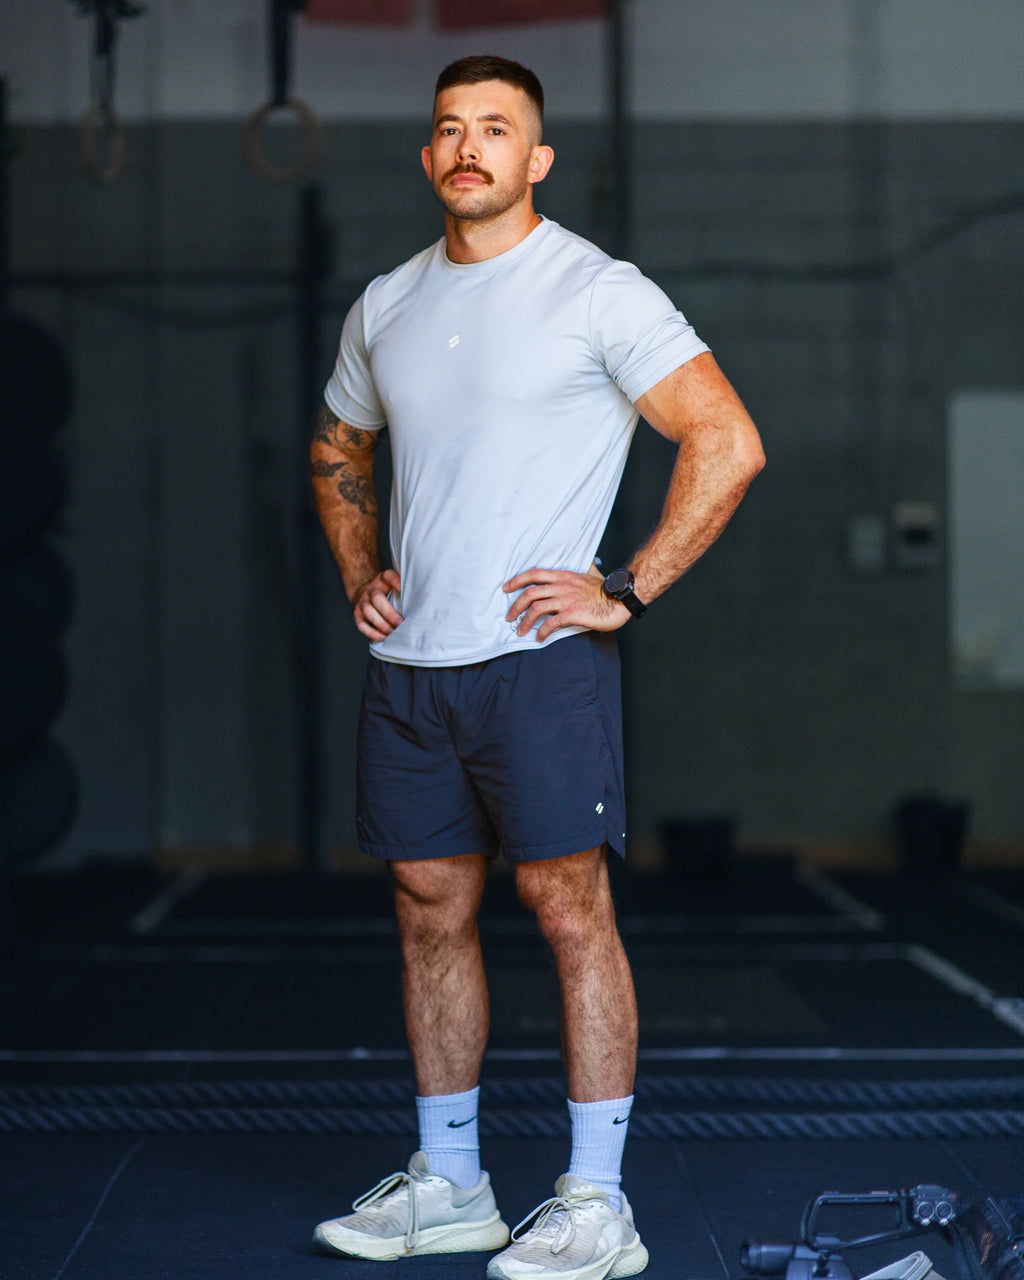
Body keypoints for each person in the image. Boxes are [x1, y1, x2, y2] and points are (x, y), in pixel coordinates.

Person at [309, 53, 764, 1280]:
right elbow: (337, 445)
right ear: (429, 157)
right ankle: (450, 1180)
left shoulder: (595, 289)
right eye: (451, 128)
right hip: (410, 669)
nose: (470, 147)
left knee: (568, 912)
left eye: (496, 129)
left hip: (537, 662)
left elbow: (725, 438)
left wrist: (628, 585)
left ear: (535, 159)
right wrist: (361, 563)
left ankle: (597, 1201)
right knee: (426, 910)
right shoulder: (386, 303)